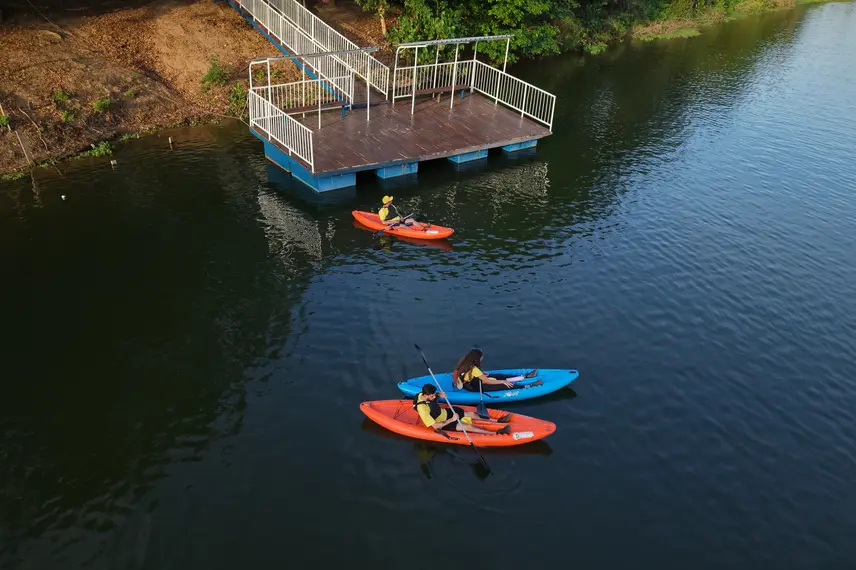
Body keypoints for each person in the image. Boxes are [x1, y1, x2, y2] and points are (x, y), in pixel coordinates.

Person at [414, 384, 511, 435]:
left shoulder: (423, 394)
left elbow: (434, 396)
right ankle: (496, 433)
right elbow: (435, 426)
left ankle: (497, 420)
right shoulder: (423, 409)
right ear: (426, 395)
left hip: (444, 413)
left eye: (435, 395)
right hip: (442, 422)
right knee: (467, 426)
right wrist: (452, 420)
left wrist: (439, 394)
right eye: (432, 396)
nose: (434, 397)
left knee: (470, 414)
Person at [453, 348, 541, 391]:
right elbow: (487, 381)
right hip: (473, 386)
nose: (482, 358)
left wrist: (481, 374)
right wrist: (502, 382)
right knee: (503, 385)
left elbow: (464, 373)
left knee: (499, 376)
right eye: (481, 357)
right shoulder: (474, 369)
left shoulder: (463, 361)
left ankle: (524, 377)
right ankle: (527, 386)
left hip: (472, 381)